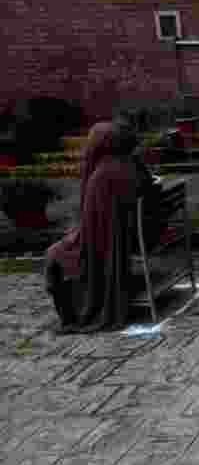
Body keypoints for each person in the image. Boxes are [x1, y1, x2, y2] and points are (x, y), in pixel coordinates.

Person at [44, 120, 158, 333]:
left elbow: (94, 231)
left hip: (114, 240)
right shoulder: (130, 164)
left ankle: (74, 313)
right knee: (65, 246)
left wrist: (72, 238)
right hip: (140, 233)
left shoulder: (103, 176)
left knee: (54, 254)